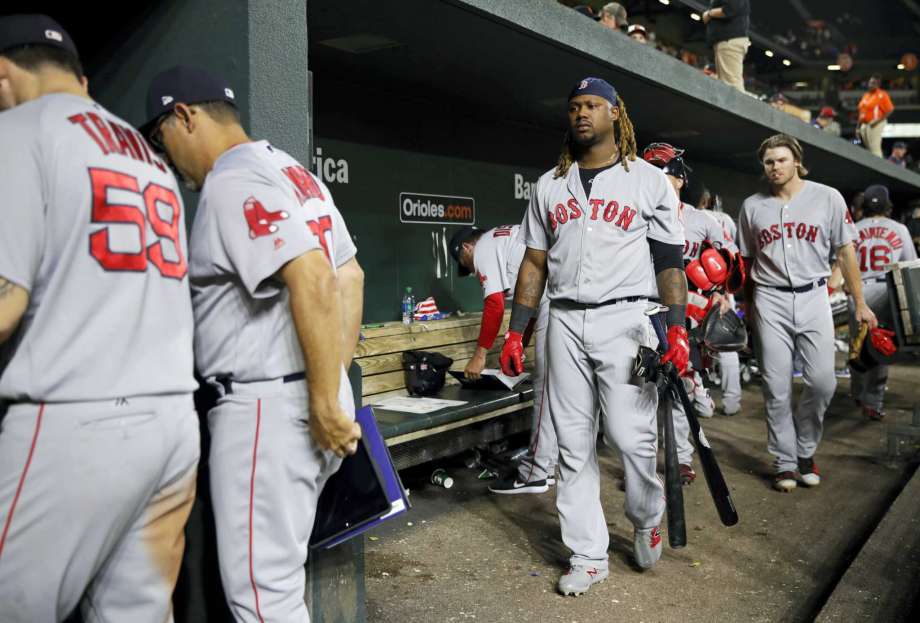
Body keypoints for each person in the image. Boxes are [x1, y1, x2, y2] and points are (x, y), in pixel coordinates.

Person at [141, 65, 363, 622]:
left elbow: (314, 276)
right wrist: (332, 385)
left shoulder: (232, 179)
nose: (161, 154)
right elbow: (350, 276)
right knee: (282, 589)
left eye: (158, 135)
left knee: (263, 602)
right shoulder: (291, 169)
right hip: (305, 397)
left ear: (184, 116)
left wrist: (320, 402)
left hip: (267, 408)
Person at [0, 15, 200, 622]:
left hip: (74, 426)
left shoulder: (16, 131)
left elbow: (5, 298)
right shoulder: (145, 152)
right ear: (79, 79)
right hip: (170, 423)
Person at [500, 77, 689, 596]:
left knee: (630, 437)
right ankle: (587, 554)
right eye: (575, 106)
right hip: (562, 319)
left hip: (626, 318)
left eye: (592, 105)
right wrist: (517, 331)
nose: (582, 113)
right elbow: (534, 262)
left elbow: (669, 259)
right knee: (572, 444)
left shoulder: (646, 180)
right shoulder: (548, 185)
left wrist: (678, 327)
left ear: (614, 114)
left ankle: (647, 514)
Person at [738, 134, 877, 493]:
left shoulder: (827, 197)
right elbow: (748, 262)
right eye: (768, 162)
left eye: (781, 160)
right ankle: (787, 461)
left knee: (822, 381)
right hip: (770, 299)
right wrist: (749, 310)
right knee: (776, 386)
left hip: (815, 295)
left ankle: (805, 447)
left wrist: (860, 303)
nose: (775, 167)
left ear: (796, 161)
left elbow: (846, 254)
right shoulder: (753, 206)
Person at [643, 143, 738, 485]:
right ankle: (646, 463)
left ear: (680, 179)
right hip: (641, 307)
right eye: (649, 170)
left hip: (685, 312)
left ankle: (681, 457)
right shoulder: (635, 214)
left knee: (677, 386)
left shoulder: (702, 220)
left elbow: (729, 262)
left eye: (663, 171)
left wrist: (724, 293)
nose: (655, 177)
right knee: (644, 392)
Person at [449, 225, 557, 494]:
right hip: (557, 295)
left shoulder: (484, 247)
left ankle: (534, 473)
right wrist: (519, 343)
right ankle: (548, 465)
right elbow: (529, 300)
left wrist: (479, 355)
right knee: (557, 392)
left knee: (545, 391)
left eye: (467, 265)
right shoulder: (503, 240)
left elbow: (495, 303)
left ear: (466, 248)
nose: (473, 272)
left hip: (553, 299)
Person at [850, 185, 917, 421]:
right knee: (881, 346)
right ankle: (873, 401)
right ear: (887, 206)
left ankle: (857, 393)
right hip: (886, 290)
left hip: (858, 294)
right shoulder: (899, 229)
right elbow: (909, 265)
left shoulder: (853, 229)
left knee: (856, 347)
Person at [699, 192, 744, 416]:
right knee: (727, 345)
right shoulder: (726, 219)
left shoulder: (693, 216)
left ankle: (700, 399)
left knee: (693, 344)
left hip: (700, 284)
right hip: (725, 284)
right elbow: (732, 253)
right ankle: (731, 400)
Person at [703, 0, 751, 92]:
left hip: (730, 41)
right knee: (726, 86)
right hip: (728, 41)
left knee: (732, 87)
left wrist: (709, 14)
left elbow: (730, 9)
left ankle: (739, 107)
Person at [857, 76, 894, 157]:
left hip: (875, 122)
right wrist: (858, 127)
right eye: (870, 83)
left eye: (873, 83)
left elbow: (890, 109)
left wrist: (877, 122)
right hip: (864, 124)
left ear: (878, 85)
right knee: (869, 149)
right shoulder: (866, 95)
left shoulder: (882, 94)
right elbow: (861, 112)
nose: (870, 85)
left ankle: (879, 168)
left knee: (875, 148)